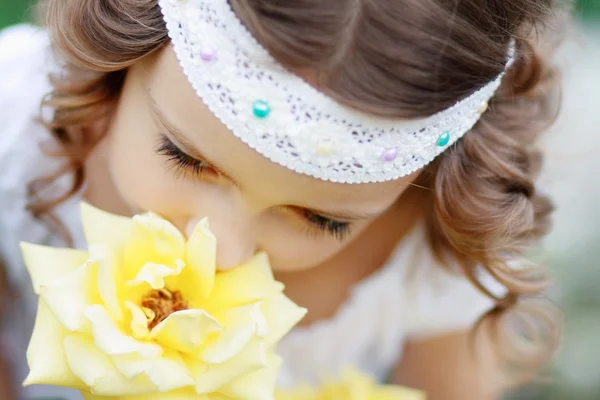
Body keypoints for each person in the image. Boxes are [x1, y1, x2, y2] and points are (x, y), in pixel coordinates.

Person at [0, 0, 569, 399]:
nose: (221, 251)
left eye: (320, 218)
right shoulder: (16, 133)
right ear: (123, 55)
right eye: (187, 159)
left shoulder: (430, 253)